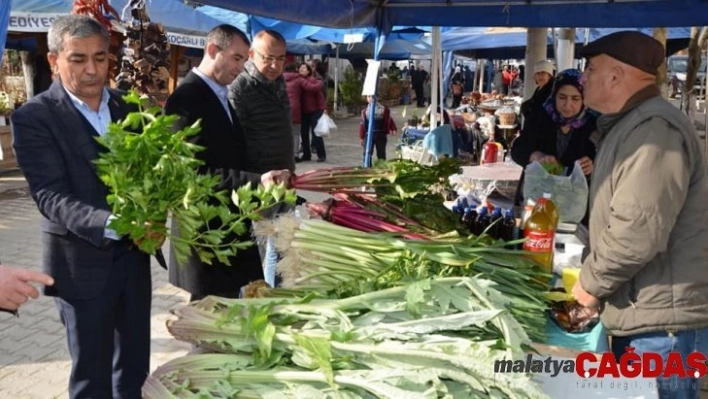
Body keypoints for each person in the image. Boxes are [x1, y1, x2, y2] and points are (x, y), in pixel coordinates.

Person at [11, 15, 156, 398]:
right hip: (81, 269)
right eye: (77, 59)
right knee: (92, 376)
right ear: (54, 61)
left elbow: (149, 178)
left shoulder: (131, 109)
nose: (91, 70)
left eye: (100, 57)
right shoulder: (35, 117)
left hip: (134, 262)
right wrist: (115, 222)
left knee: (135, 369)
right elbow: (50, 195)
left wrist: (157, 210)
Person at [571, 31, 708, 399]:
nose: (582, 77)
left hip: (663, 325)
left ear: (616, 75)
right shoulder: (632, 124)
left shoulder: (654, 130)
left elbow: (637, 230)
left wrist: (590, 285)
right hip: (648, 314)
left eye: (590, 68)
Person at [164, 25, 290, 301]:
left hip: (227, 226)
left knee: (225, 312)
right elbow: (192, 174)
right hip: (206, 236)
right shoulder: (186, 100)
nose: (241, 66)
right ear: (212, 50)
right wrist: (257, 181)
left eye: (244, 60)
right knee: (210, 320)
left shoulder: (217, 93)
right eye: (236, 58)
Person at [229, 30, 294, 175]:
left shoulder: (279, 82)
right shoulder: (239, 87)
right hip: (257, 179)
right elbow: (234, 141)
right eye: (268, 58)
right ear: (251, 54)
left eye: (280, 59)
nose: (274, 65)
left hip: (284, 173)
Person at [511, 68, 597, 178]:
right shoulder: (539, 117)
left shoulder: (591, 124)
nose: (567, 104)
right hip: (538, 190)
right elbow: (518, 149)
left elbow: (603, 158)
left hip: (575, 192)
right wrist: (536, 156)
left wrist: (591, 165)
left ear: (584, 99)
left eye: (575, 99)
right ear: (554, 96)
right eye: (562, 97)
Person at [298, 62, 327, 162]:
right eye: (300, 68)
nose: (302, 70)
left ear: (308, 70)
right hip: (303, 111)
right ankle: (306, 154)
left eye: (304, 68)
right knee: (304, 134)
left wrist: (323, 108)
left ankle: (321, 155)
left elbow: (320, 96)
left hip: (315, 111)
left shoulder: (312, 80)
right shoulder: (298, 82)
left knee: (316, 133)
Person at [359, 95, 397, 161]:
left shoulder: (383, 110)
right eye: (369, 96)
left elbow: (388, 119)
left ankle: (382, 168)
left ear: (376, 97)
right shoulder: (365, 111)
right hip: (368, 135)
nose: (371, 98)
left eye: (372, 96)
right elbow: (362, 124)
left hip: (380, 134)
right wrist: (361, 137)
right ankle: (367, 168)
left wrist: (393, 128)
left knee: (381, 153)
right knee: (367, 153)